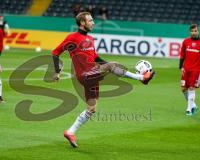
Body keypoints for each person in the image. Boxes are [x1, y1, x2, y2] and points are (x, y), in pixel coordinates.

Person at [52, 12, 154, 148]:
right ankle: (142, 77)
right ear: (82, 23)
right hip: (84, 74)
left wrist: (114, 67)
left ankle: (70, 132)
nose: (93, 22)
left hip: (92, 75)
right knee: (112, 65)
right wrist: (57, 72)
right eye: (90, 20)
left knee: (91, 108)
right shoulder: (72, 38)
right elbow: (55, 52)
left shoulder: (91, 39)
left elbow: (96, 58)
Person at [179, 23, 200, 116]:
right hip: (186, 69)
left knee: (191, 88)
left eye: (195, 31)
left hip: (196, 70)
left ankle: (189, 109)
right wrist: (181, 67)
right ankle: (193, 106)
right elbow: (182, 55)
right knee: (183, 89)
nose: (193, 33)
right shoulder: (186, 41)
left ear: (198, 31)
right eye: (192, 31)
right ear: (190, 32)